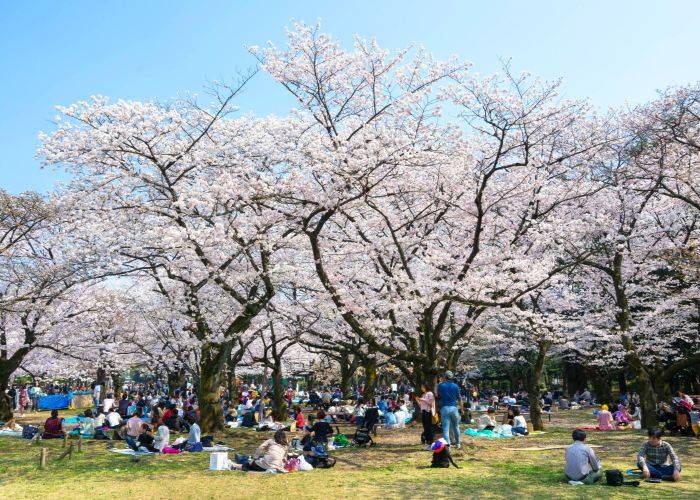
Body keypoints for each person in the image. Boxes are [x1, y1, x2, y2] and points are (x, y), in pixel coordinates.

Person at [437, 371, 462, 449]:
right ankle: (458, 443)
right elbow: (459, 398)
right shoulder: (455, 386)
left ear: (445, 377)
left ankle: (448, 446)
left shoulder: (440, 386)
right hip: (454, 408)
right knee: (456, 426)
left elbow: (438, 395)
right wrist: (461, 408)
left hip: (444, 408)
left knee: (446, 428)